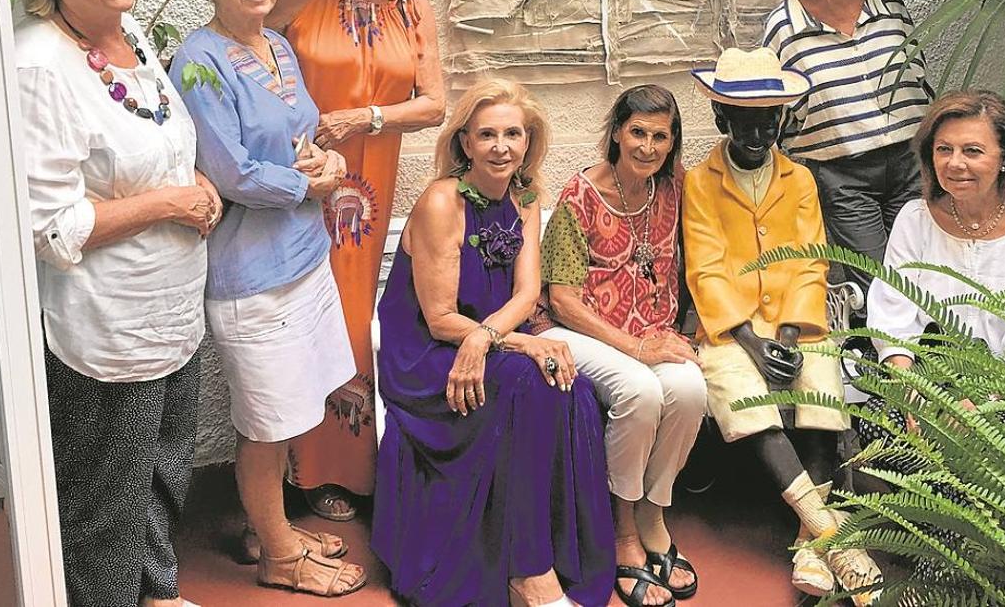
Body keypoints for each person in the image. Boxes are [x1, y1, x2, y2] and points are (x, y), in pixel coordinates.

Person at [14, 0, 217, 607]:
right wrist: (169, 202)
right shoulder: (41, 63)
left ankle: (158, 595)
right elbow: (50, 227)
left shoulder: (129, 40)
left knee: (163, 473)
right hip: (103, 329)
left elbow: (144, 149)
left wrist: (187, 177)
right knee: (105, 505)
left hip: (168, 312)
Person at [169, 0, 366, 596]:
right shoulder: (196, 62)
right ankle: (279, 557)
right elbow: (232, 172)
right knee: (265, 422)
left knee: (293, 408)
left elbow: (301, 136)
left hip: (303, 258)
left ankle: (271, 526)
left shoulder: (276, 44)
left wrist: (332, 165)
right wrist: (309, 186)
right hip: (252, 274)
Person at [371, 79, 615, 607]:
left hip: (491, 339)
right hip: (425, 356)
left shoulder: (526, 198)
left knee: (572, 389)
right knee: (531, 381)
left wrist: (496, 340)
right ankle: (527, 575)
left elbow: (527, 294)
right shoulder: (442, 201)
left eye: (512, 134)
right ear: (465, 143)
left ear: (528, 141)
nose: (501, 147)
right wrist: (511, 344)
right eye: (486, 135)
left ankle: (561, 557)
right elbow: (437, 319)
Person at [271, 0, 446, 521]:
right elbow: (238, 60)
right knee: (296, 318)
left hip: (368, 190)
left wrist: (365, 118)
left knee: (349, 320)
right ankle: (294, 471)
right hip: (297, 185)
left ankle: (344, 471)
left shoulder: (409, 4)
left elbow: (432, 104)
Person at [683, 47, 881, 606]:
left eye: (769, 118)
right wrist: (750, 338)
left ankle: (809, 542)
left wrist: (790, 335)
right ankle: (832, 531)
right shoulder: (700, 182)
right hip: (730, 329)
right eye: (743, 118)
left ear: (783, 120)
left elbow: (810, 260)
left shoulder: (799, 180)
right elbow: (706, 267)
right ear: (722, 119)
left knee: (819, 391)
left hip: (797, 322)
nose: (757, 129)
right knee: (744, 394)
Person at [531, 84, 705, 607]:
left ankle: (654, 511)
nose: (647, 147)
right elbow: (560, 299)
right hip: (576, 332)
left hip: (652, 332)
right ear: (615, 133)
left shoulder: (672, 189)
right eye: (637, 133)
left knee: (691, 389)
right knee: (640, 391)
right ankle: (622, 529)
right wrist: (635, 348)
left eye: (660, 136)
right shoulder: (578, 195)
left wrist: (684, 330)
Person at [763, 0, 933, 292]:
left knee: (925, 273)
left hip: (910, 162)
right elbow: (777, 114)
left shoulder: (891, 7)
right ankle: (890, 353)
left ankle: (934, 353)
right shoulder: (782, 29)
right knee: (878, 283)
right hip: (842, 176)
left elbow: (919, 79)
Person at [868, 89, 1005, 377]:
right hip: (926, 384)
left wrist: (984, 405)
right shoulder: (914, 220)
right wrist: (912, 388)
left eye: (972, 151)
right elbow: (893, 317)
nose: (954, 163)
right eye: (944, 149)